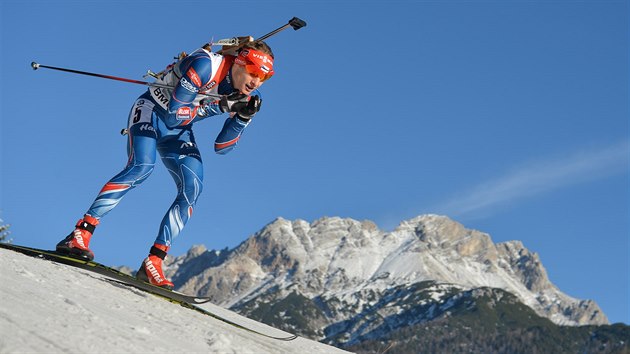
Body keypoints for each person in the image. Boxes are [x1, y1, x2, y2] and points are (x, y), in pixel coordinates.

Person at [56, 40, 275, 290]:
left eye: (265, 78)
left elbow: (222, 148)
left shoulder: (250, 96)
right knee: (142, 167)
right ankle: (81, 232)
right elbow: (173, 113)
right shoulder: (205, 65)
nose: (257, 82)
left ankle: (154, 261)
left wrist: (242, 119)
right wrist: (221, 106)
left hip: (179, 132)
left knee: (192, 188)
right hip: (151, 111)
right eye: (255, 72)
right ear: (239, 62)